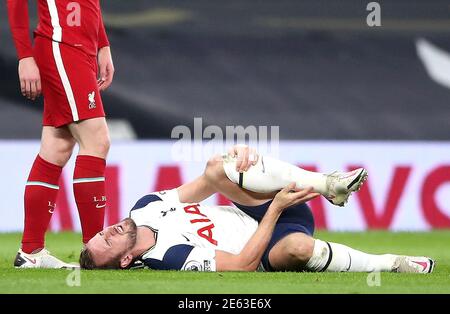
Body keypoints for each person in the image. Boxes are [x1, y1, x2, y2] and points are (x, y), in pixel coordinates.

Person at [80, 145, 434, 273]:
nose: (107, 230)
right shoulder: (167, 257)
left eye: (99, 232)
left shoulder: (145, 208)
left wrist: (239, 163)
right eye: (107, 242)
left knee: (220, 164)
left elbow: (208, 181)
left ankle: (329, 184)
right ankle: (390, 263)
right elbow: (241, 266)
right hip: (269, 241)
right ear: (126, 260)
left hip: (258, 205)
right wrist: (276, 210)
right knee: (299, 249)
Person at [7, 0, 114, 268]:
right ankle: (95, 252)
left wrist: (103, 45)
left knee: (57, 147)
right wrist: (24, 56)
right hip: (61, 46)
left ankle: (31, 251)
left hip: (81, 49)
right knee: (97, 139)